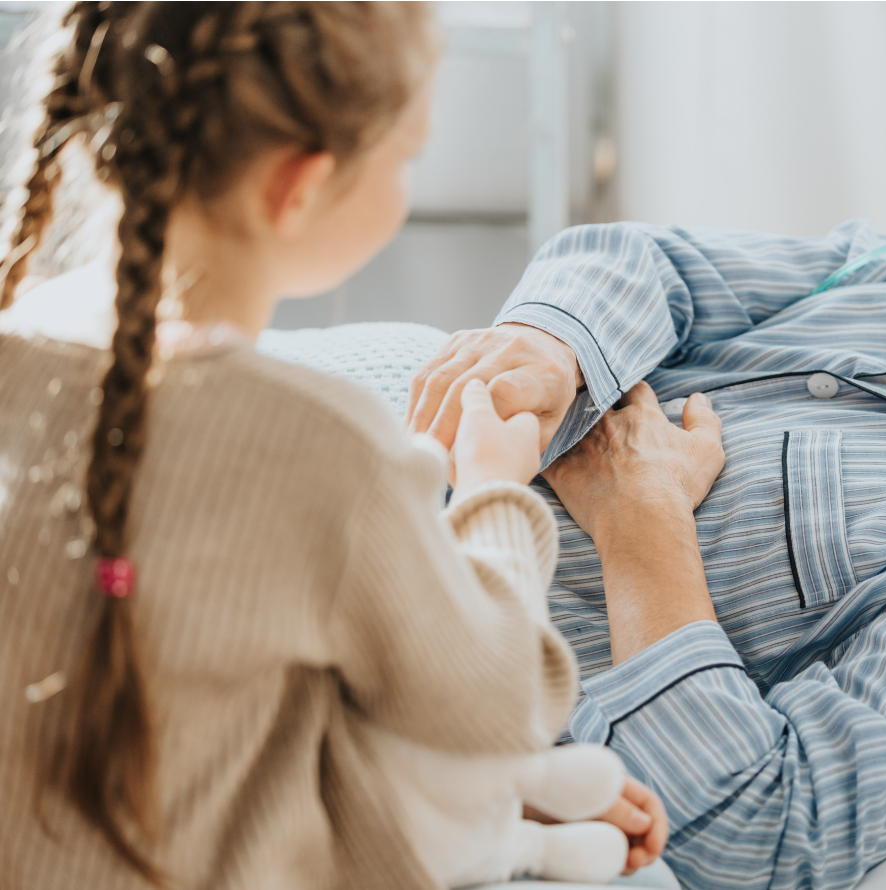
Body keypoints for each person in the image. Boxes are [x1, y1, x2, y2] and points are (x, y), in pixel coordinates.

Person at [0, 3, 668, 887]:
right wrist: (491, 492)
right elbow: (498, 700)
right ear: (302, 187)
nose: (408, 176)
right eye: (406, 156)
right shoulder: (323, 449)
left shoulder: (20, 348)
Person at [407, 218, 886, 890]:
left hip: (394, 679)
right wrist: (550, 347)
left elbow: (758, 827)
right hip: (355, 454)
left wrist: (642, 520)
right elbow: (654, 262)